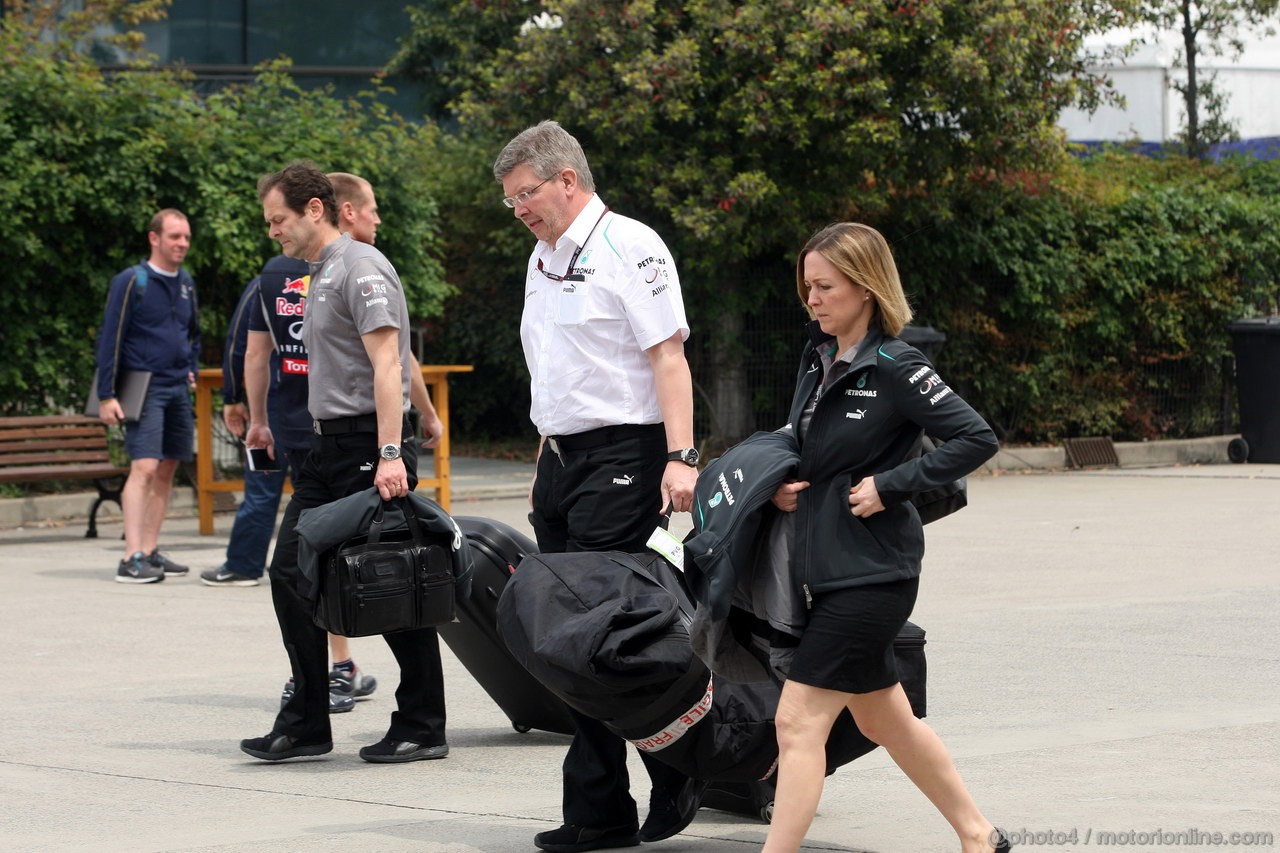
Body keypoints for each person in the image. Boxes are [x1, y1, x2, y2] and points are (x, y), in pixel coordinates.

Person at [494, 120, 705, 853]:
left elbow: (668, 357)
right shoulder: (542, 256)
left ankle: (646, 783)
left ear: (567, 181)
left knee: (593, 636)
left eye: (526, 194)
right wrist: (547, 445)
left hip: (625, 455)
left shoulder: (631, 246)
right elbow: (554, 363)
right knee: (567, 641)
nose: (519, 208)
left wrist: (681, 455)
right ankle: (619, 796)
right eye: (510, 199)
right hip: (562, 461)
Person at [762, 223, 1008, 853]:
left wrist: (891, 485)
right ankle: (978, 835)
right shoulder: (816, 360)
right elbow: (809, 447)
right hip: (826, 568)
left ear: (866, 289)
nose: (812, 299)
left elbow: (976, 438)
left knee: (796, 723)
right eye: (807, 286)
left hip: (872, 575)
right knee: (882, 717)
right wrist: (787, 482)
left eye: (825, 287)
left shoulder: (897, 364)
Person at [238, 162, 448, 764]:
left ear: (312, 209)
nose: (272, 231)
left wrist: (389, 452)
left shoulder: (361, 265)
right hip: (326, 449)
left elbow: (390, 363)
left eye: (278, 219)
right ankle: (306, 723)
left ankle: (423, 724)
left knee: (388, 580)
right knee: (290, 574)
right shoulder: (320, 271)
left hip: (367, 448)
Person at [95, 209, 200, 584]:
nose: (182, 244)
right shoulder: (131, 281)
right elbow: (111, 336)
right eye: (174, 237)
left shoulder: (186, 282)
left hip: (176, 386)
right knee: (145, 467)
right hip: (143, 386)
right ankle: (131, 556)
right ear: (154, 238)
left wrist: (192, 365)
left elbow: (193, 333)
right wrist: (106, 394)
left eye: (186, 237)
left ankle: (151, 550)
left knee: (169, 467)